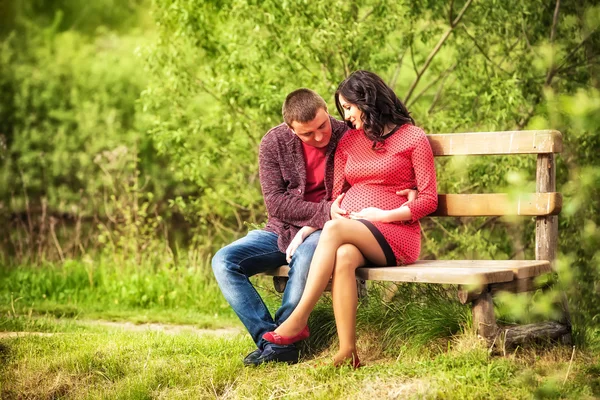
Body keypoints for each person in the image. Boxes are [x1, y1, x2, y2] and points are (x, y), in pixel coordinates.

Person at [263, 70, 438, 368]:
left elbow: (429, 199)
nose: (344, 116)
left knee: (335, 231)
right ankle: (348, 352)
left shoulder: (413, 138)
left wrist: (387, 214)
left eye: (347, 107)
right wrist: (307, 229)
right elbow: (336, 199)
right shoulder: (348, 142)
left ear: (366, 102)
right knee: (344, 256)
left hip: (396, 235)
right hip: (353, 231)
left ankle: (299, 318)